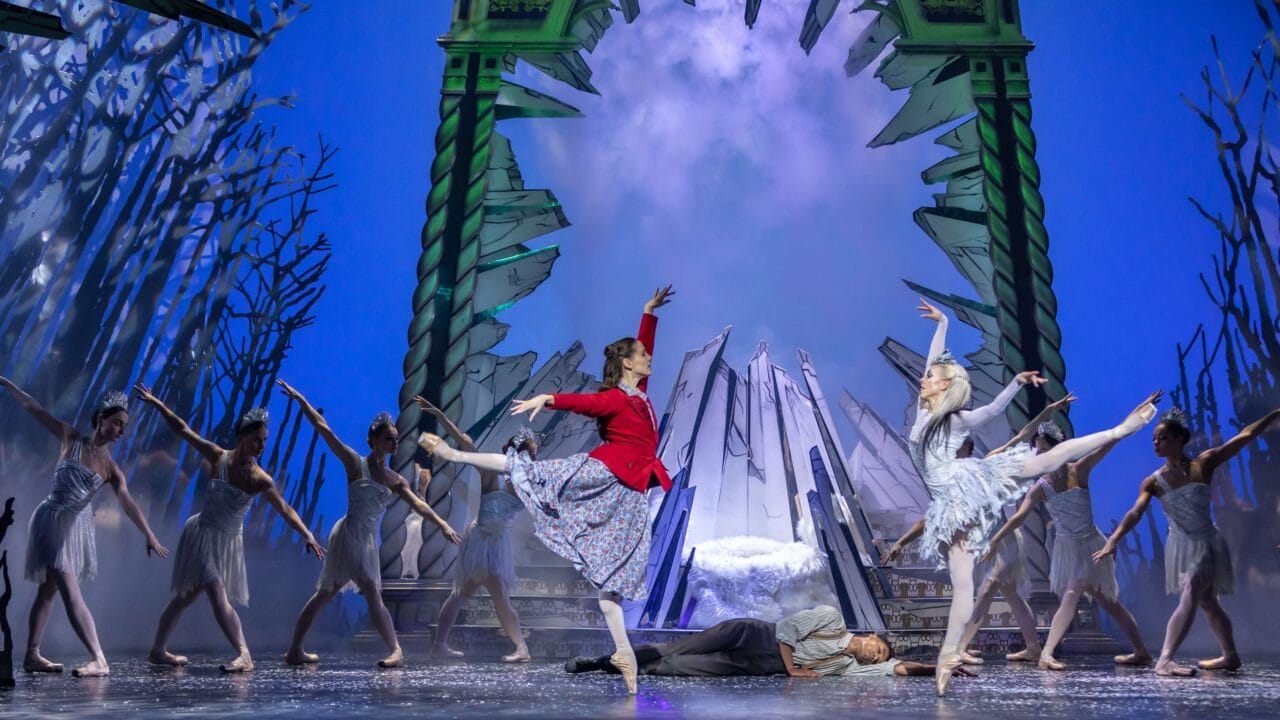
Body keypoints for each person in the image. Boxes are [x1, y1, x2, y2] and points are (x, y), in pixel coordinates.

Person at [420, 285, 676, 694]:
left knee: (611, 581)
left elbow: (642, 346)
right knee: (530, 472)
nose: (649, 357)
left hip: (628, 493)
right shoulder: (614, 398)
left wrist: (648, 312)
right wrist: (548, 397)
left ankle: (623, 653)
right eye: (642, 355)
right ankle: (454, 457)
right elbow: (585, 404)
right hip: (604, 473)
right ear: (628, 364)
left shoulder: (638, 396)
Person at [909, 299, 1159, 695]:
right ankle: (949, 657)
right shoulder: (925, 415)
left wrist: (1016, 384)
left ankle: (1120, 430)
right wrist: (943, 324)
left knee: (1044, 462)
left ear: (944, 386)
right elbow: (933, 362)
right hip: (948, 504)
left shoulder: (956, 418)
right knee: (963, 584)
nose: (924, 378)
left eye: (932, 376)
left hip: (968, 482)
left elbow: (991, 409)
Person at [135, 383, 325, 672]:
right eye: (256, 439)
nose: (261, 446)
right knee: (212, 590)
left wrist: (308, 535)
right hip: (201, 533)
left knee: (186, 597)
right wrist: (157, 403)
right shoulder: (218, 457)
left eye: (264, 441)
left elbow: (285, 510)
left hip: (226, 541)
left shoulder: (260, 478)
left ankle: (157, 649)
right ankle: (242, 653)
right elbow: (184, 430)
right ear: (241, 436)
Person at [276, 381, 462, 668]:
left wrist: (442, 524)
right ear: (373, 440)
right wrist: (301, 400)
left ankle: (296, 650)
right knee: (349, 594)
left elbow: (418, 504)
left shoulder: (393, 478)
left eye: (396, 439)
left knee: (333, 595)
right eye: (389, 438)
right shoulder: (354, 462)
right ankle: (393, 649)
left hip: (365, 541)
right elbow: (324, 428)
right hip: (349, 535)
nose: (394, 443)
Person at [885, 394, 1074, 665]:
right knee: (1012, 596)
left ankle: (961, 647)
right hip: (988, 543)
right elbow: (929, 519)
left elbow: (1022, 435)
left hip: (1004, 539)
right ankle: (1032, 646)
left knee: (986, 589)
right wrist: (901, 543)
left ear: (967, 449)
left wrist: (1048, 410)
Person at [1094, 405, 1280, 677]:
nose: (1156, 443)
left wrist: (1273, 414)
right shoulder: (1154, 482)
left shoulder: (1204, 463)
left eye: (1163, 438)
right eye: (1154, 439)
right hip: (1181, 545)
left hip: (1207, 542)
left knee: (1192, 591)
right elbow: (1135, 512)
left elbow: (1246, 435)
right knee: (1207, 602)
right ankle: (1230, 655)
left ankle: (1165, 659)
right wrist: (1114, 539)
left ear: (1180, 439)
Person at [2, 379, 168, 677]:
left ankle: (32, 654)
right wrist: (6, 383)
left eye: (124, 426)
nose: (121, 430)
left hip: (74, 527)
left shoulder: (111, 469)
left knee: (49, 589)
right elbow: (34, 408)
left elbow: (128, 503)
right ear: (101, 420)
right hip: (50, 519)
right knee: (67, 589)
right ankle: (99, 659)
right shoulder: (71, 438)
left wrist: (149, 534)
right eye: (117, 423)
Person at [983, 409, 1155, 671]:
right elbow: (1019, 517)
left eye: (1046, 452)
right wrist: (996, 539)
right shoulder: (1041, 486)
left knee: (1079, 591)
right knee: (1106, 601)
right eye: (1039, 454)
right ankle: (1141, 651)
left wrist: (1139, 414)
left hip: (1091, 544)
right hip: (1067, 547)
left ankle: (1047, 653)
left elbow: (1113, 438)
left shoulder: (1080, 469)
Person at [563, 605, 962, 679]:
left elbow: (898, 669)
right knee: (675, 649)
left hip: (756, 666)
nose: (874, 656)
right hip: (754, 634)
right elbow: (787, 630)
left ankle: (623, 666)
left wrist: (935, 668)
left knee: (675, 668)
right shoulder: (832, 617)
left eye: (876, 659)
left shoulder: (846, 666)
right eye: (877, 649)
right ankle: (601, 661)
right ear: (871, 636)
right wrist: (793, 669)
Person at [422, 398, 532, 662]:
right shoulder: (492, 473)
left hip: (498, 542)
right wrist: (440, 414)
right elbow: (466, 444)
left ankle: (441, 643)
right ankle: (521, 648)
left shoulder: (528, 483)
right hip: (482, 540)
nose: (533, 459)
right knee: (488, 594)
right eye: (530, 454)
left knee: (465, 593)